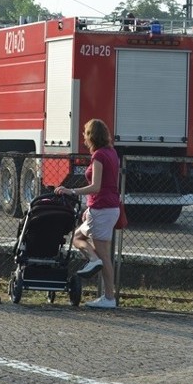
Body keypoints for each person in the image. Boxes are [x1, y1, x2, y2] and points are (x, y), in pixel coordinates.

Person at [56, 118, 120, 309]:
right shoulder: (111, 152)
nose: (83, 136)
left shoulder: (99, 156)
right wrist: (88, 208)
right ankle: (95, 262)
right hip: (106, 208)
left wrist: (71, 191)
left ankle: (108, 296)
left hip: (102, 209)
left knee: (103, 256)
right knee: (77, 237)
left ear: (91, 136)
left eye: (85, 133)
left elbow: (96, 186)